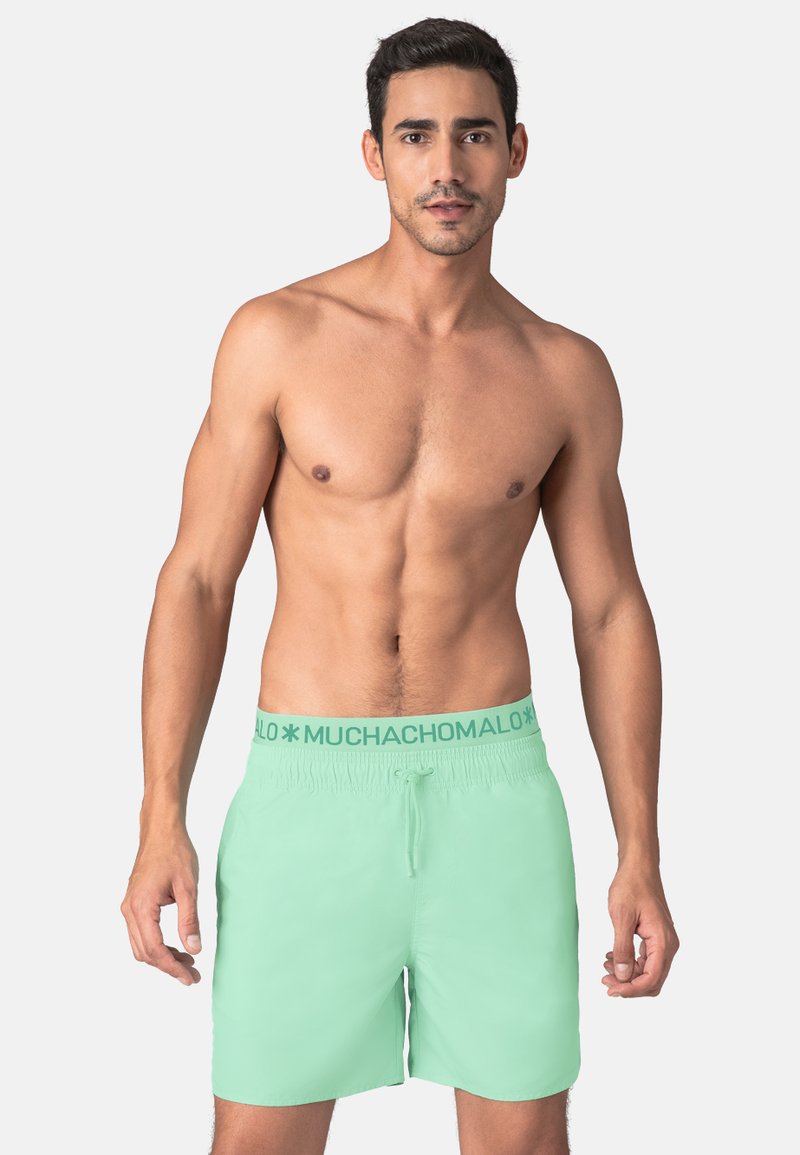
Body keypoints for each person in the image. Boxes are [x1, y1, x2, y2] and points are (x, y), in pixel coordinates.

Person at [120, 15, 679, 1155]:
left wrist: (641, 849)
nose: (446, 166)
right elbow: (198, 579)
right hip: (306, 790)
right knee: (257, 1140)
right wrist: (158, 813)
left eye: (473, 134)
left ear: (515, 151)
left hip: (494, 794)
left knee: (523, 1141)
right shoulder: (277, 337)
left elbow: (608, 608)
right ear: (373, 154)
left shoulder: (562, 371)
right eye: (416, 136)